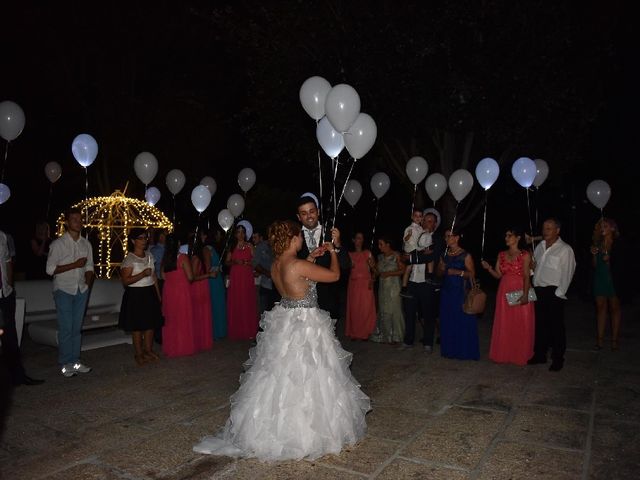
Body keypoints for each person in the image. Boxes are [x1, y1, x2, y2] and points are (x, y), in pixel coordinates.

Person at [193, 220, 370, 461]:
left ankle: (270, 427)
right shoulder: (297, 264)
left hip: (285, 319)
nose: (301, 240)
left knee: (279, 373)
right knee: (309, 373)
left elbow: (298, 276)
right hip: (306, 324)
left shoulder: (277, 264)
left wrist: (312, 257)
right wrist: (333, 252)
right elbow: (335, 275)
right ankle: (306, 432)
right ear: (293, 239)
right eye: (299, 237)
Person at [46, 208, 95, 377]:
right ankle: (65, 363)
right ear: (67, 222)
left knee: (76, 328)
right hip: (63, 289)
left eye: (80, 219)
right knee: (66, 328)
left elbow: (90, 267)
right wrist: (74, 265)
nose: (78, 222)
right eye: (74, 219)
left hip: (81, 289)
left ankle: (75, 360)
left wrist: (87, 285)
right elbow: (50, 270)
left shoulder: (86, 244)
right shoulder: (58, 244)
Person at [482, 227, 535, 365]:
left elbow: (526, 276)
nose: (506, 238)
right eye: (505, 235)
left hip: (520, 287)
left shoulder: (525, 254)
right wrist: (489, 269)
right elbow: (499, 275)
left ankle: (520, 354)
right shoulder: (501, 254)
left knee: (521, 321)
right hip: (504, 289)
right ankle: (505, 353)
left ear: (518, 238)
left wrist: (525, 294)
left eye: (509, 235)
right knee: (506, 322)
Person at [528, 218, 576, 372]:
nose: (545, 231)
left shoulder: (565, 249)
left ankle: (558, 358)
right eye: (544, 228)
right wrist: (531, 269)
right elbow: (534, 268)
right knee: (540, 325)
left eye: (549, 228)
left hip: (554, 291)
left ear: (557, 230)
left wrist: (559, 293)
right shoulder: (540, 246)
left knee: (556, 327)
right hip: (539, 289)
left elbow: (568, 272)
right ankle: (540, 355)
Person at [296, 195, 351, 320]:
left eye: (312, 211)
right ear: (299, 217)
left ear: (318, 212)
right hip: (302, 298)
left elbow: (346, 265)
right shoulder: (294, 236)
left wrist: (337, 245)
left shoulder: (331, 233)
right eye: (304, 213)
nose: (309, 216)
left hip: (328, 298)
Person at [0, 229, 44, 386]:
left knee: (10, 338)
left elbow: (7, 263)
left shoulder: (3, 236)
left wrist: (9, 288)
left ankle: (18, 376)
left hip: (5, 295)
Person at [118, 228, 163, 366]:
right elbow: (125, 281)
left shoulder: (150, 255)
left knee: (150, 324)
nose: (144, 240)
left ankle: (148, 350)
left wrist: (158, 295)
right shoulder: (129, 258)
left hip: (149, 292)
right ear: (133, 241)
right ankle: (138, 353)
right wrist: (142, 274)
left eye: (145, 237)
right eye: (140, 238)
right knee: (137, 326)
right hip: (135, 294)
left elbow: (154, 276)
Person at [402, 211, 443, 352]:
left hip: (427, 281)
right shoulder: (416, 233)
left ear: (435, 224)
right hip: (413, 280)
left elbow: (432, 257)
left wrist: (411, 258)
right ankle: (408, 341)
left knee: (428, 314)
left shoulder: (437, 239)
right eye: (425, 220)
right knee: (410, 312)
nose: (426, 223)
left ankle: (428, 343)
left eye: (430, 221)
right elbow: (406, 250)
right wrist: (408, 255)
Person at [438, 229, 479, 360]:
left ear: (457, 238)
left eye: (449, 236)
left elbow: (472, 274)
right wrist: (441, 269)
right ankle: (449, 350)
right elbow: (439, 274)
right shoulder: (444, 254)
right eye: (446, 236)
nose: (447, 239)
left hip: (460, 291)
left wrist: (458, 272)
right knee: (447, 319)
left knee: (461, 320)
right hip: (447, 291)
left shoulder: (465, 255)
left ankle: (463, 351)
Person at [590, 218, 629, 351]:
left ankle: (614, 340)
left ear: (612, 228)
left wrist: (610, 260)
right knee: (600, 308)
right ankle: (599, 341)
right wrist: (594, 255)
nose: (602, 228)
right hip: (600, 278)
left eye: (605, 226)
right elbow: (595, 266)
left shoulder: (618, 244)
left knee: (614, 309)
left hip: (613, 280)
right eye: (600, 226)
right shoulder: (597, 243)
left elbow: (624, 265)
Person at [161, 233, 197, 358]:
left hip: (169, 292)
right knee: (183, 318)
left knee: (171, 319)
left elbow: (163, 276)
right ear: (178, 244)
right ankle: (183, 347)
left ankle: (172, 346)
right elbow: (191, 277)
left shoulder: (165, 259)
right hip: (181, 292)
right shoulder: (182, 257)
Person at [370, 234, 405, 344]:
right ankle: (386, 336)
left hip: (394, 287)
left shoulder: (396, 255)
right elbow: (378, 273)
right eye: (378, 244)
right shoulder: (380, 257)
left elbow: (403, 270)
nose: (379, 246)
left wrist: (390, 273)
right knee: (384, 310)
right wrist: (372, 266)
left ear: (388, 245)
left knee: (395, 310)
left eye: (381, 244)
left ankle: (397, 336)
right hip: (383, 287)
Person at [225, 225, 258, 340]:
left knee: (247, 300)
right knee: (237, 300)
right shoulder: (232, 246)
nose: (240, 234)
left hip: (246, 277)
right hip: (236, 277)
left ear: (245, 234)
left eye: (242, 232)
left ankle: (248, 329)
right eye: (238, 232)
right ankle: (236, 329)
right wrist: (235, 261)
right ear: (235, 234)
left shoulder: (250, 246)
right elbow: (226, 262)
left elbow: (256, 262)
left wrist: (248, 263)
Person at [345, 232, 377, 340]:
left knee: (366, 308)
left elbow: (375, 270)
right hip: (354, 283)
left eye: (362, 238)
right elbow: (344, 269)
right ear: (353, 240)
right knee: (355, 308)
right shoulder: (349, 254)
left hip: (366, 283)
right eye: (358, 238)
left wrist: (372, 278)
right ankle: (354, 333)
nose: (360, 240)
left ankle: (366, 332)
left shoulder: (367, 253)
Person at [190, 235, 213, 352]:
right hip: (203, 285)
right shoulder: (203, 255)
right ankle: (202, 340)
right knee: (202, 313)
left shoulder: (196, 258)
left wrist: (208, 275)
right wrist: (208, 275)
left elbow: (193, 277)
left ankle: (199, 340)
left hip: (198, 286)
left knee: (199, 313)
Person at [204, 228, 227, 340]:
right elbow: (208, 268)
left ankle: (219, 331)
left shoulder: (213, 248)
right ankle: (215, 332)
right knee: (214, 305)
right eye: (218, 234)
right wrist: (217, 268)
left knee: (218, 304)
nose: (220, 237)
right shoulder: (207, 249)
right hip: (213, 280)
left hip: (217, 279)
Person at [252, 230, 279, 317]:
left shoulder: (280, 246)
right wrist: (265, 272)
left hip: (278, 285)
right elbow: (255, 263)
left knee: (277, 313)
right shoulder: (261, 247)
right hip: (266, 284)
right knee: (264, 313)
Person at [399, 209, 423, 298]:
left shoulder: (421, 228)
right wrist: (408, 235)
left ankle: (406, 288)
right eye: (416, 215)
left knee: (410, 269)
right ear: (412, 217)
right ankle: (404, 288)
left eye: (420, 216)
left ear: (422, 218)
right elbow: (405, 239)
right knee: (408, 269)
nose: (417, 218)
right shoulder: (409, 228)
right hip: (411, 250)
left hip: (417, 250)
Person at [149, 228, 166, 344]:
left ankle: (165, 333)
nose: (166, 237)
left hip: (166, 281)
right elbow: (154, 268)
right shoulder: (156, 250)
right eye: (165, 235)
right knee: (160, 308)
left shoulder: (167, 249)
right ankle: (158, 335)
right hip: (159, 281)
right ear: (160, 237)